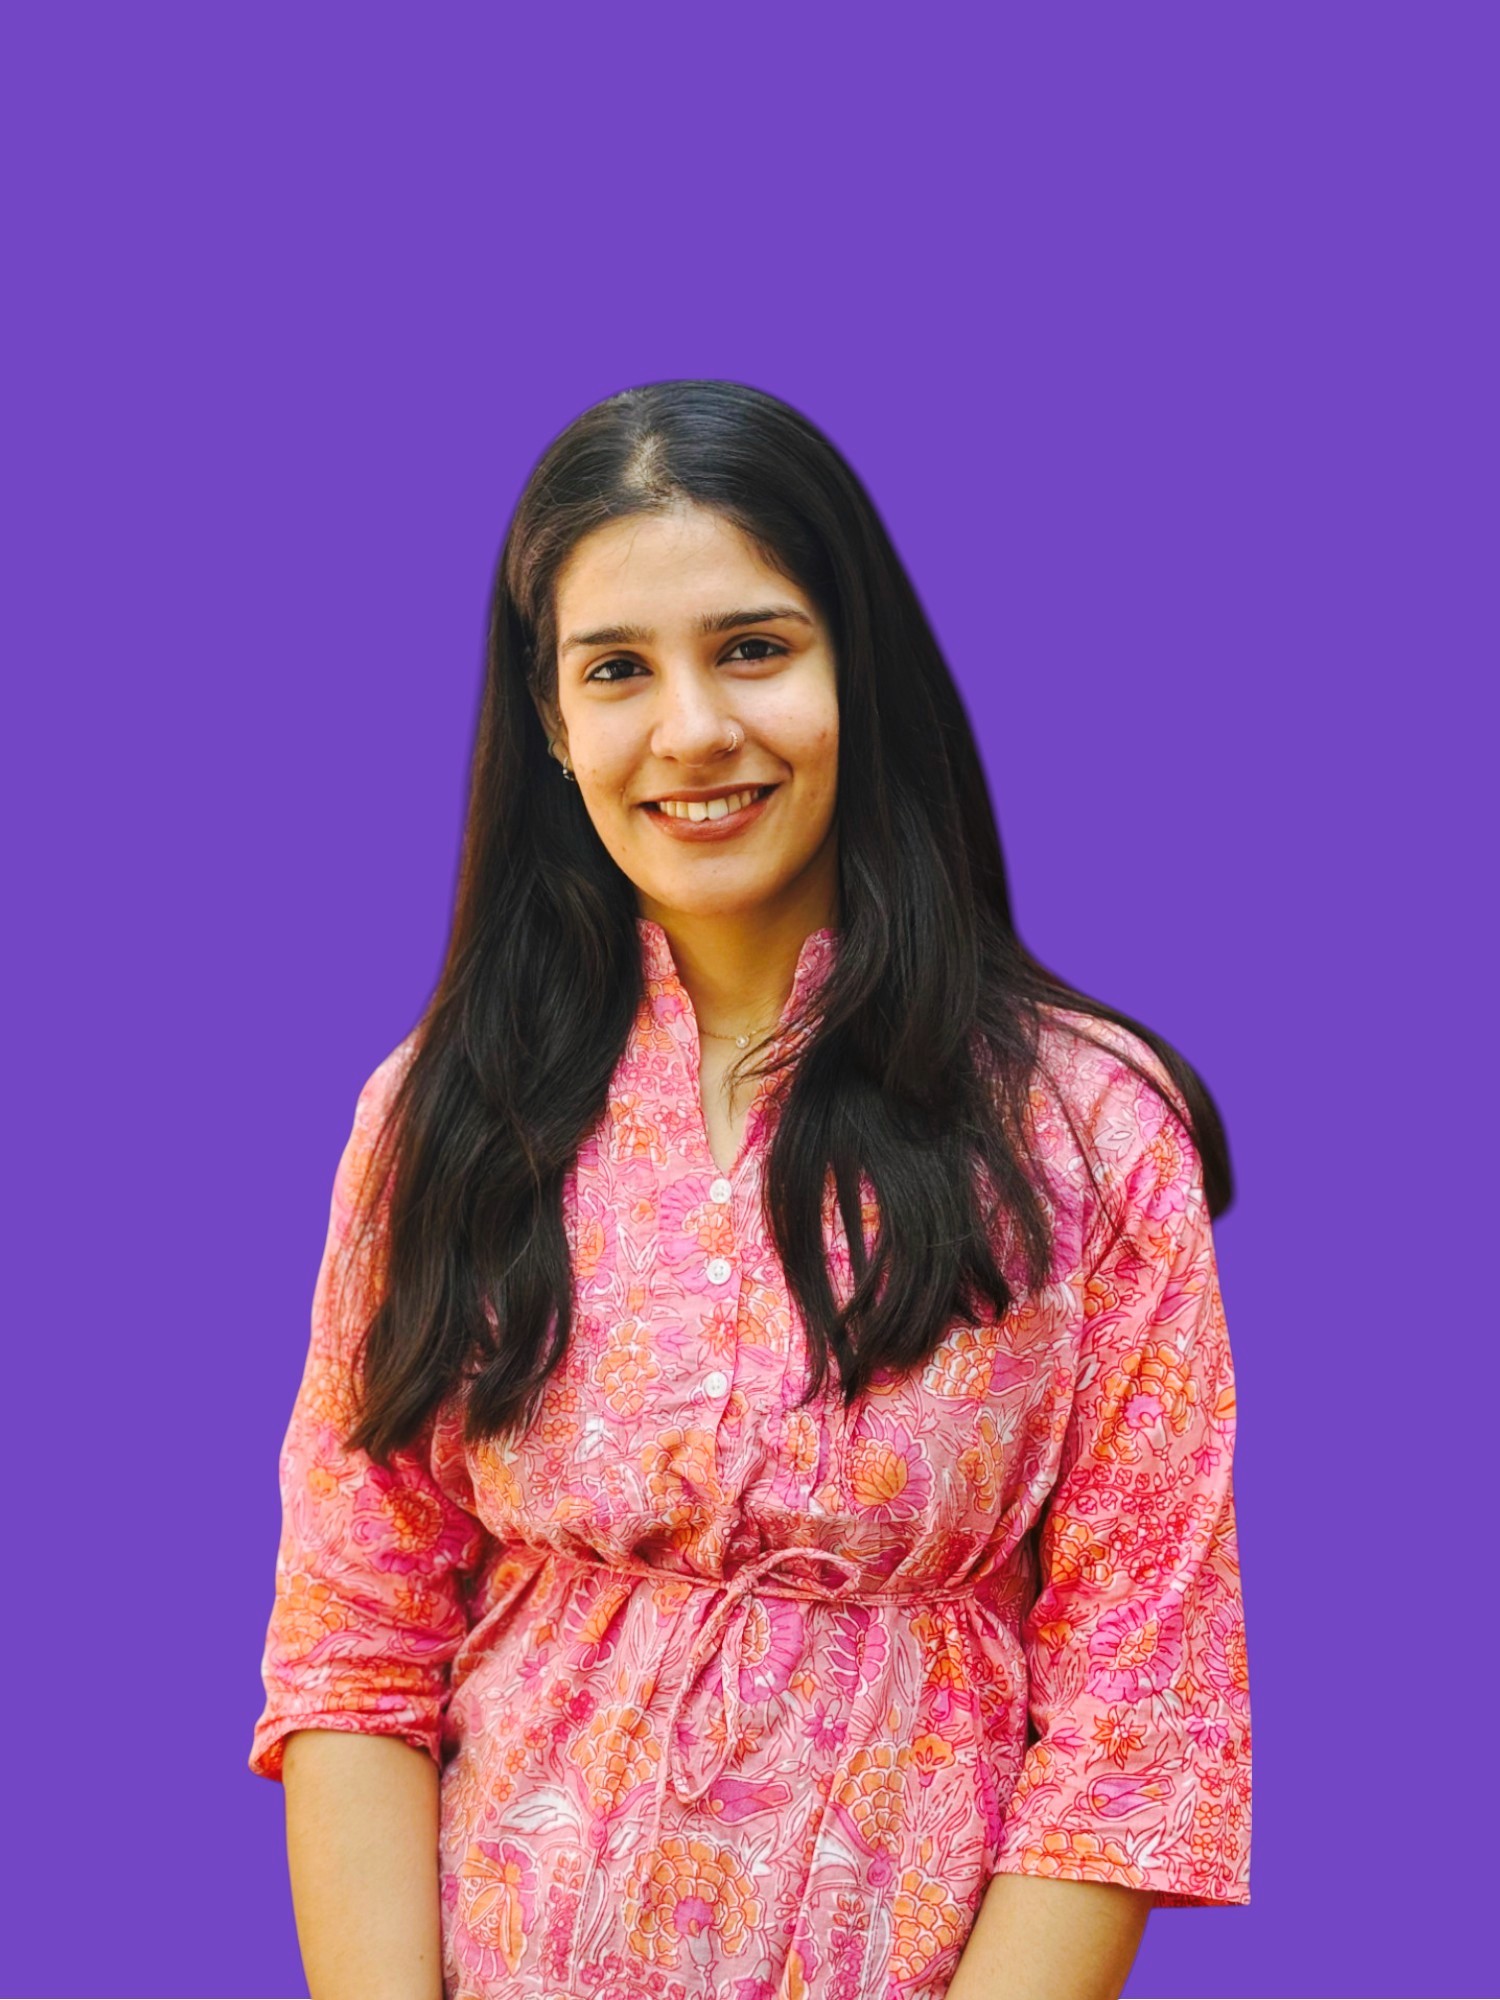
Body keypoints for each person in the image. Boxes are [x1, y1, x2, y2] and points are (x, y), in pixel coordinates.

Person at [249, 379, 1251, 2000]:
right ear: (552, 723)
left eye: (754, 648)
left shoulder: (1084, 1131)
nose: (694, 730)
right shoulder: (439, 1117)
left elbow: (1140, 1707)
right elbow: (354, 1640)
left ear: (861, 670)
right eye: (618, 670)